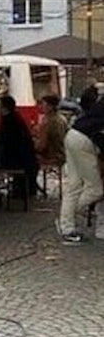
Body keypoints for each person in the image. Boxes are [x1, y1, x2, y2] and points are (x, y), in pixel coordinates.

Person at [59, 87, 104, 243]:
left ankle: (67, 227)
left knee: (74, 185)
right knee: (96, 189)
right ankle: (68, 216)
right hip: (84, 141)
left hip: (73, 135)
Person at [0, 96, 39, 198]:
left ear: (4, 108)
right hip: (25, 159)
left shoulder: (9, 121)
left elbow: (3, 139)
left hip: (17, 160)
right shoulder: (16, 118)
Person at [35, 94, 67, 168]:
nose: (41, 107)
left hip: (51, 156)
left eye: (43, 104)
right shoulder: (62, 118)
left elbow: (42, 146)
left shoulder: (47, 122)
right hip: (63, 154)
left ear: (50, 107)